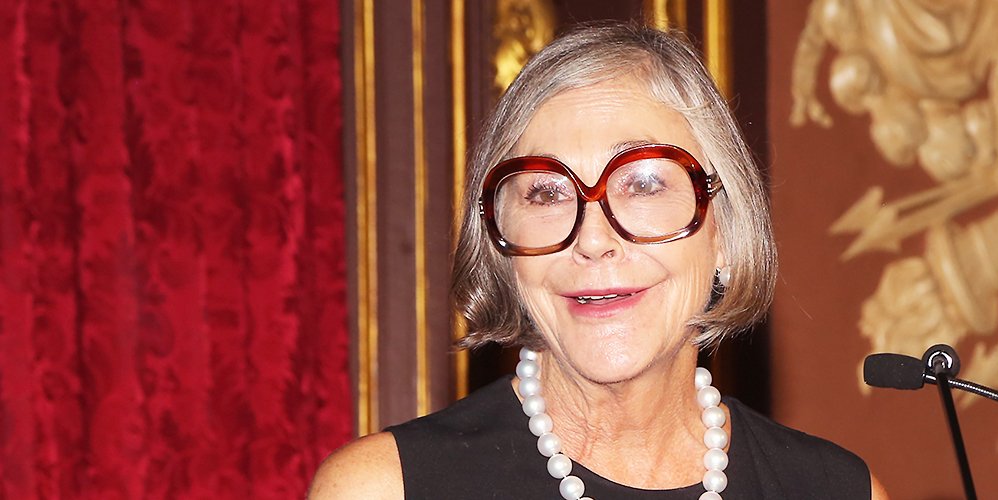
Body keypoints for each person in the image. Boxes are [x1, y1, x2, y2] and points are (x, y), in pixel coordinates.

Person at [309, 22, 888, 499]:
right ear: (501, 247)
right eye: (545, 193)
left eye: (642, 184)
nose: (592, 239)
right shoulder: (383, 489)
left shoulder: (839, 490)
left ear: (726, 233)